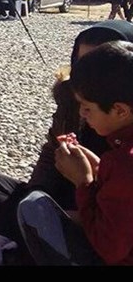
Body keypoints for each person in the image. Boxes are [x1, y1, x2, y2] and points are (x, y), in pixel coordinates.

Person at [0, 20, 133, 261]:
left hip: (94, 217)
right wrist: (37, 197)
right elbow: (51, 153)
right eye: (81, 64)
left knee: (32, 216)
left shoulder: (123, 157)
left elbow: (111, 242)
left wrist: (84, 182)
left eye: (97, 66)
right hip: (76, 197)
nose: (84, 76)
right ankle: (31, 234)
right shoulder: (75, 99)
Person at [16, 40, 133, 265]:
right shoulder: (119, 154)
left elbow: (111, 247)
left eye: (87, 108)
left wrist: (84, 181)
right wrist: (99, 171)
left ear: (120, 110)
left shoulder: (123, 161)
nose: (82, 113)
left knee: (33, 208)